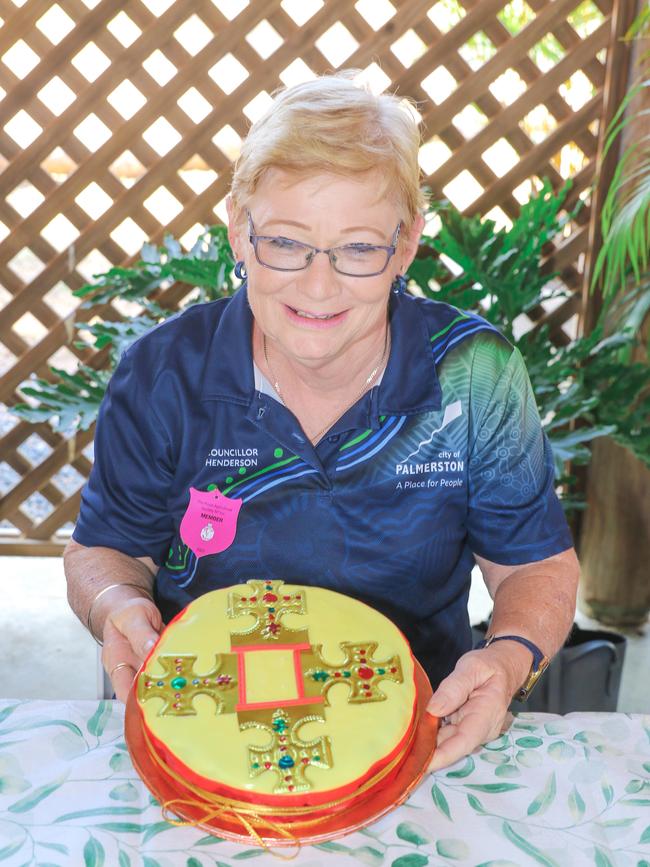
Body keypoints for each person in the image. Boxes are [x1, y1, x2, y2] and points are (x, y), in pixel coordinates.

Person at [64, 71, 579, 772]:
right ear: (238, 232)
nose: (318, 283)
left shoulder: (474, 374)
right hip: (202, 734)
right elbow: (103, 550)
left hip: (416, 739)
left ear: (406, 244)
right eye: (285, 241)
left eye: (359, 248)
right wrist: (116, 603)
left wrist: (511, 656)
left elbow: (536, 564)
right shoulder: (165, 373)